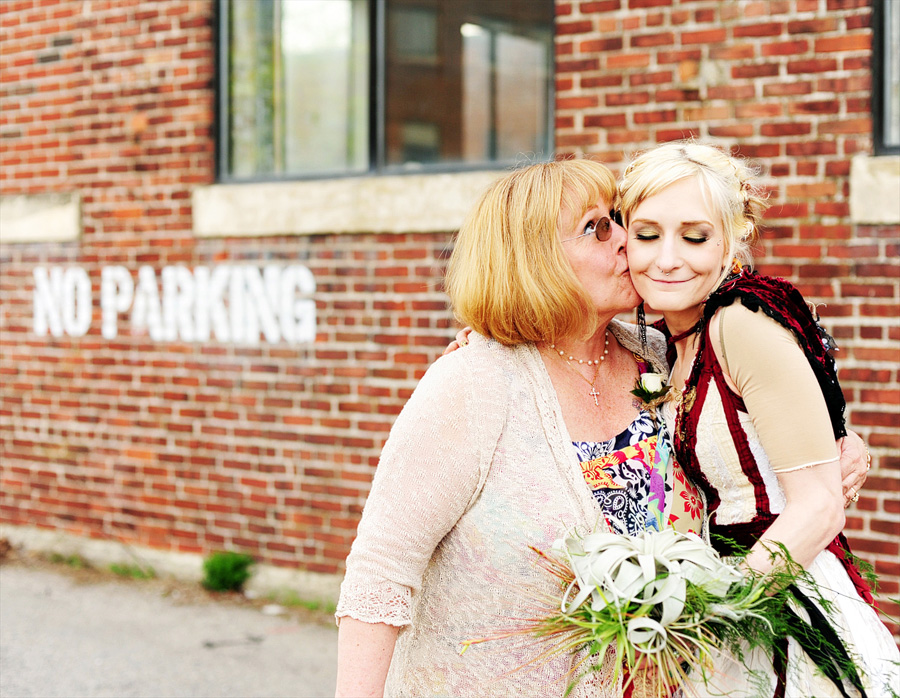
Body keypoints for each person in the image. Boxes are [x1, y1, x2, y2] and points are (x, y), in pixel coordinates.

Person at [334, 158, 706, 698]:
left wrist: (839, 444)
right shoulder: (474, 381)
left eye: (620, 217)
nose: (627, 239)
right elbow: (382, 568)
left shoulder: (663, 359)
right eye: (597, 227)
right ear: (534, 262)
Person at [619, 141, 899, 697]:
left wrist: (712, 610)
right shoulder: (671, 341)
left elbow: (819, 505)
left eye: (695, 237)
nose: (667, 258)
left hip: (776, 604)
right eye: (647, 234)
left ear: (730, 243)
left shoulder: (739, 323)